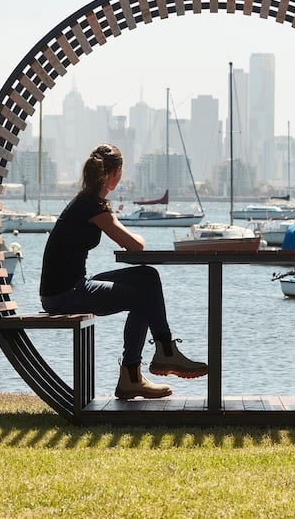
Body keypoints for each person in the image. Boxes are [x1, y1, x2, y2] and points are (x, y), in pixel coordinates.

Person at [40, 143, 207, 399]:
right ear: (115, 173)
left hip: (71, 287)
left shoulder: (89, 202)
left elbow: (127, 241)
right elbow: (135, 245)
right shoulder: (93, 207)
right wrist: (135, 236)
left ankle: (152, 360)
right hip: (64, 295)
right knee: (143, 297)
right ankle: (143, 367)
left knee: (147, 276)